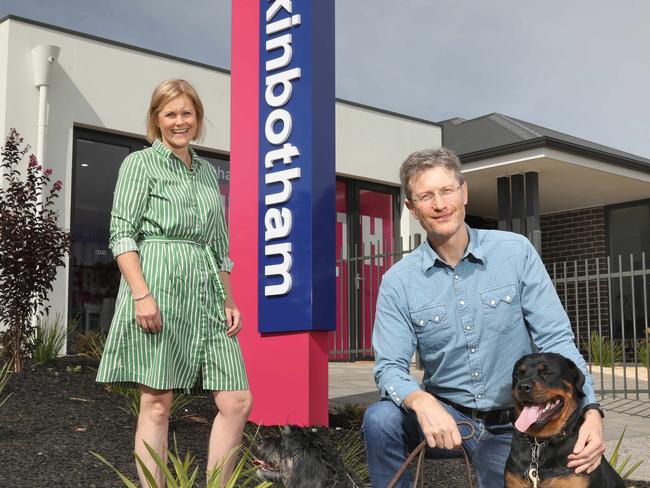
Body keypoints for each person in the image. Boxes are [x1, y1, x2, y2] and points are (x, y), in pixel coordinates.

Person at [362, 148, 605, 488]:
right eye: (426, 195)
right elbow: (389, 367)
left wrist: (591, 410)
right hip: (448, 418)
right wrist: (421, 401)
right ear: (412, 208)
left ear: (464, 192)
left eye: (447, 191)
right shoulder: (398, 282)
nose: (440, 203)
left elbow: (556, 341)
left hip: (517, 422)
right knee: (381, 418)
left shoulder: (515, 252)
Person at [96, 79, 252, 487]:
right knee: (157, 403)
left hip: (206, 292)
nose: (179, 121)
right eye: (170, 114)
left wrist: (229, 300)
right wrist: (141, 294)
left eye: (187, 113)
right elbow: (122, 235)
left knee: (236, 400)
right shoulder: (139, 164)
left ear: (197, 117)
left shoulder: (206, 174)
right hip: (159, 286)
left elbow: (219, 245)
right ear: (157, 119)